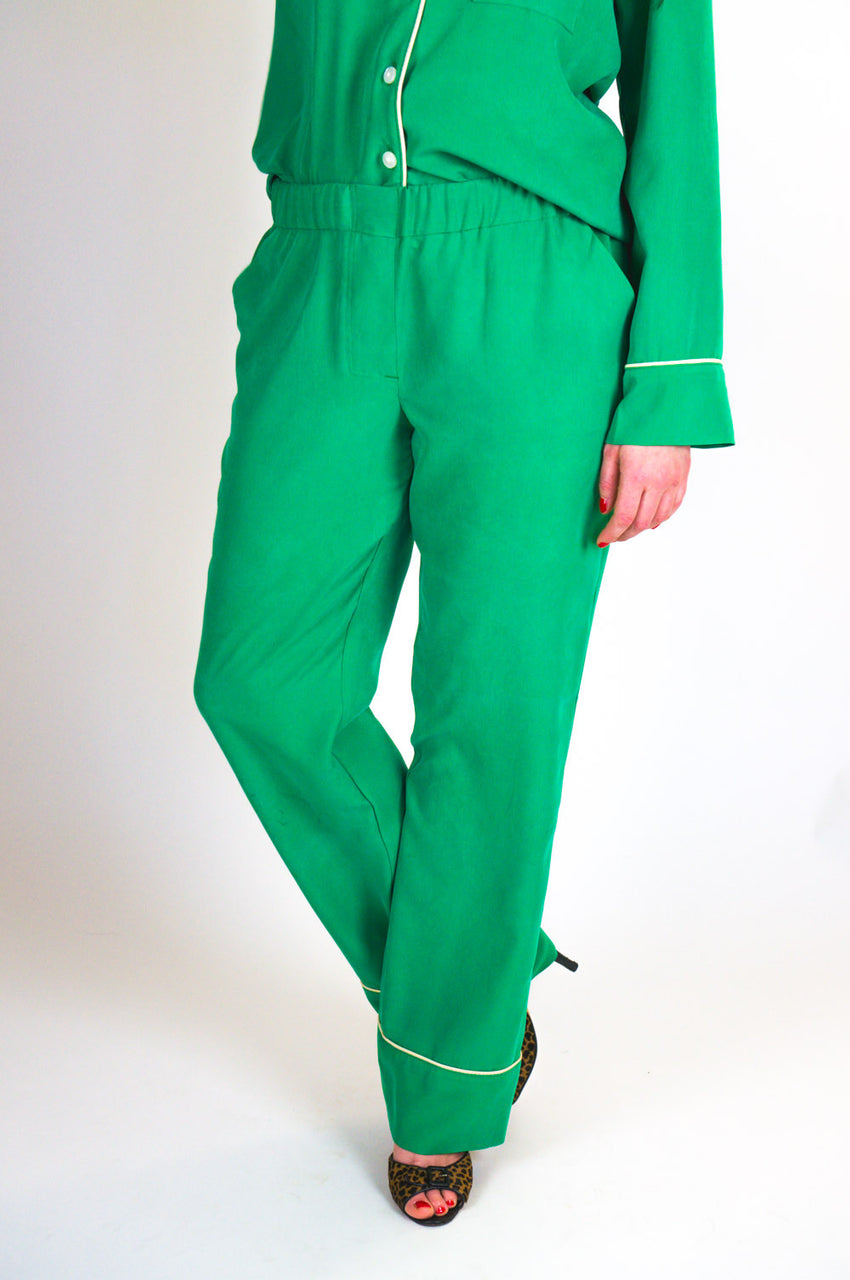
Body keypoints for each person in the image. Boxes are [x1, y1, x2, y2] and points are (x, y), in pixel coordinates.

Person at [193, 0, 735, 1226]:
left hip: (530, 271)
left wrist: (667, 379)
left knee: (490, 711)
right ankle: (479, 979)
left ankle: (441, 1079)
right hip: (325, 247)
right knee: (258, 680)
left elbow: (676, 75)